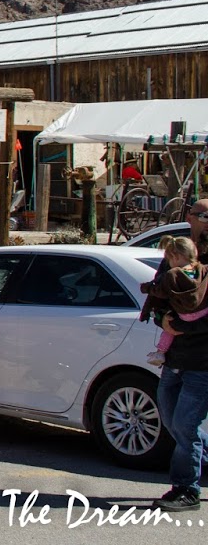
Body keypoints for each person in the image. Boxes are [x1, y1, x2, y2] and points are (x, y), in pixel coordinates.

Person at [153, 200, 208, 513]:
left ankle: (186, 489)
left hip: (202, 361)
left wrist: (187, 327)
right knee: (173, 422)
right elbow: (160, 294)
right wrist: (162, 319)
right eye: (202, 215)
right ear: (190, 218)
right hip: (174, 358)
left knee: (186, 426)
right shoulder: (176, 253)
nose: (206, 221)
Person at [143, 236, 208, 366]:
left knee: (168, 332)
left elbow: (160, 291)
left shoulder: (172, 274)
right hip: (203, 313)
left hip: (185, 318)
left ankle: (160, 351)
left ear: (175, 257)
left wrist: (146, 288)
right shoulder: (202, 270)